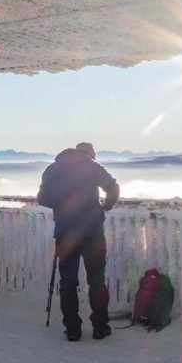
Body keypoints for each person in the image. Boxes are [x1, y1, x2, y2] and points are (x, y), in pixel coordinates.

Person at [38, 142, 120, 341]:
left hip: (65, 233)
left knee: (67, 282)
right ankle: (100, 327)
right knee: (97, 281)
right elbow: (113, 187)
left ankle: (73, 329)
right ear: (90, 154)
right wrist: (106, 206)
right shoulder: (92, 166)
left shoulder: (51, 169)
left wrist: (61, 204)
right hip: (92, 231)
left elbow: (42, 199)